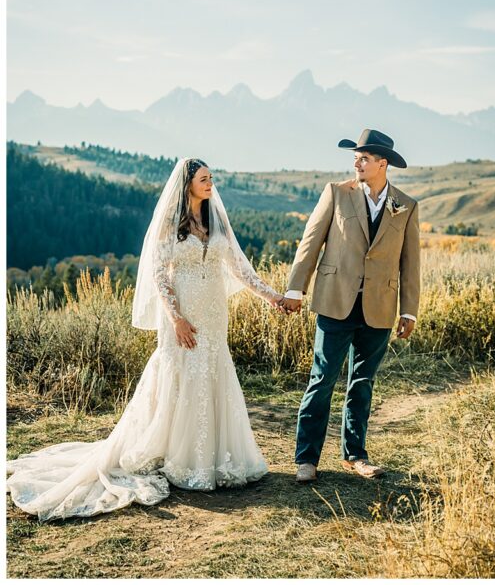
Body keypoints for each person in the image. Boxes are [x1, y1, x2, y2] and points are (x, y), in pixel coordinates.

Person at [6, 158, 285, 521]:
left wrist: (274, 297)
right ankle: (180, 457)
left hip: (214, 315)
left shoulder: (216, 221)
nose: (210, 184)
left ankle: (217, 459)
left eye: (211, 179)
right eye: (204, 180)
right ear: (186, 185)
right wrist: (176, 318)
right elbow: (158, 273)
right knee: (179, 378)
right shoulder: (171, 224)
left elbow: (240, 268)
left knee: (213, 374)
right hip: (183, 316)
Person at [280, 129, 420, 482]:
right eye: (355, 158)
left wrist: (409, 310)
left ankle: (355, 455)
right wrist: (296, 289)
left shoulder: (406, 206)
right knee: (322, 379)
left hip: (380, 307)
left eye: (364, 158)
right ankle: (306, 459)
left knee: (363, 382)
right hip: (335, 301)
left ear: (382, 163)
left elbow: (410, 262)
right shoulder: (336, 194)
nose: (356, 162)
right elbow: (310, 242)